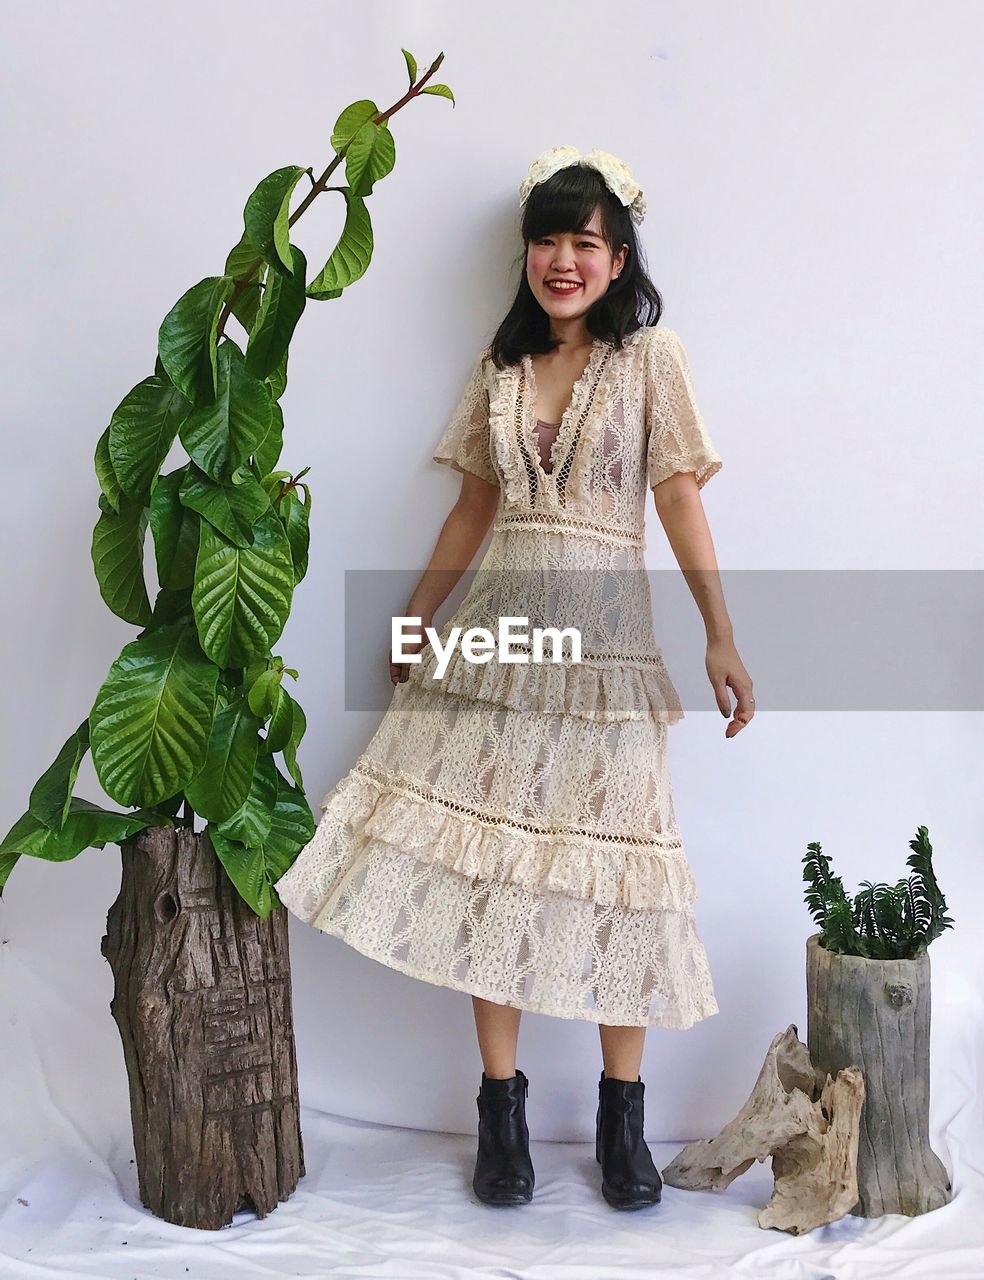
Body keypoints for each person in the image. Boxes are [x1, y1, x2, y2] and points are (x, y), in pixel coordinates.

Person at [273, 144, 755, 1211]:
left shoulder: (649, 361)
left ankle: (622, 1113)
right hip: (497, 644)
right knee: (496, 868)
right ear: (527, 253)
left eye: (585, 240)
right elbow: (471, 511)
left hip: (608, 648)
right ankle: (502, 1112)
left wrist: (720, 633)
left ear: (619, 255)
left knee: (612, 874)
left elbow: (678, 500)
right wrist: (417, 615)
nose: (563, 259)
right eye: (548, 238)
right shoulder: (499, 369)